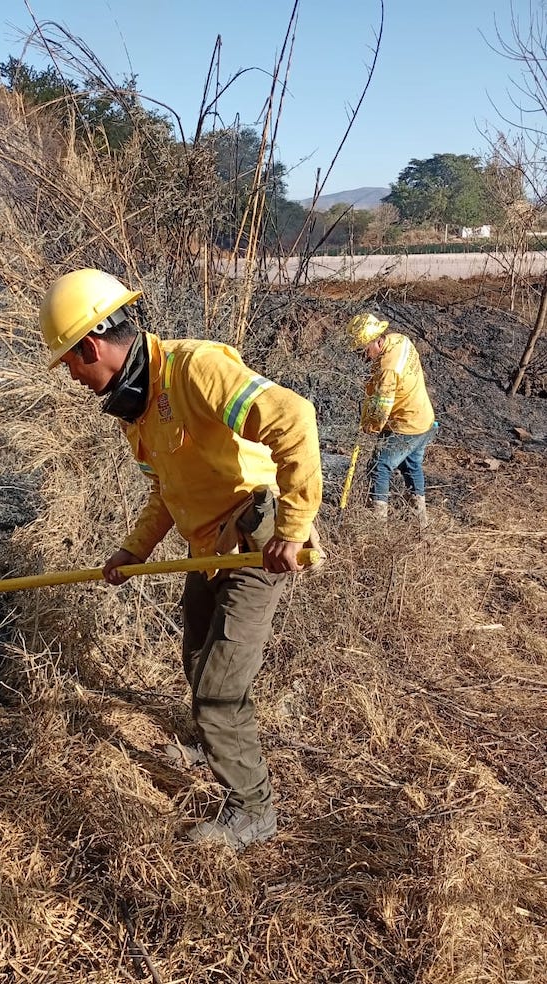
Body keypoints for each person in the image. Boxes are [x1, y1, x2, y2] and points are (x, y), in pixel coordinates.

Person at [39, 268, 324, 850]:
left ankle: (254, 810)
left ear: (92, 345)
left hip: (254, 542)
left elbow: (294, 419)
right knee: (196, 658)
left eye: (70, 361)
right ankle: (213, 743)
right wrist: (131, 550)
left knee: (219, 689)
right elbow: (164, 491)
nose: (71, 375)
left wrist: (292, 530)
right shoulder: (137, 412)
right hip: (205, 550)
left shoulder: (195, 370)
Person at [345, 313, 437, 526]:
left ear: (376, 340)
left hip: (406, 425)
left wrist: (369, 425)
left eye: (363, 349)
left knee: (379, 466)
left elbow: (382, 407)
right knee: (411, 466)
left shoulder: (388, 369)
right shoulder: (399, 340)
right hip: (424, 419)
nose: (362, 356)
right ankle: (420, 522)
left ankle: (377, 526)